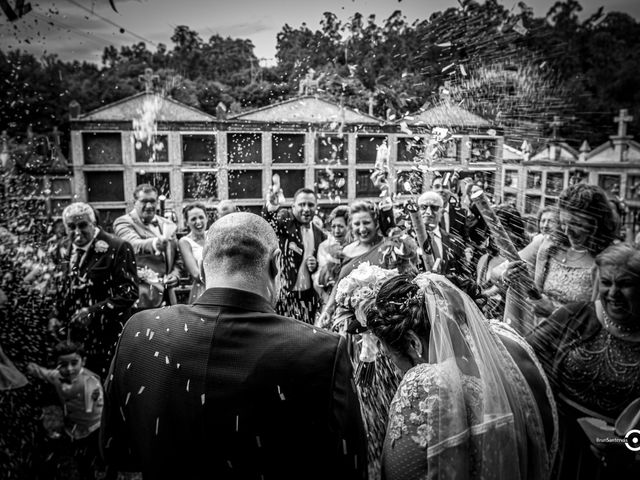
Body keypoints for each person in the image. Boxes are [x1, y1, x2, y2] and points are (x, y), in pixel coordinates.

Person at [101, 212, 367, 480]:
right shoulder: (322, 350)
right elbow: (348, 468)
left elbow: (116, 451)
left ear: (204, 263)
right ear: (276, 263)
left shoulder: (141, 329)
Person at [369, 273, 558, 480]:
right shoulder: (507, 339)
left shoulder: (427, 384)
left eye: (390, 356)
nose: (396, 371)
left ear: (414, 343)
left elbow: (397, 473)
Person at [527, 243, 640, 480]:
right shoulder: (573, 316)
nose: (613, 293)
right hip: (557, 443)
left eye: (625, 284)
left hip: (616, 461)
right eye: (607, 283)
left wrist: (630, 447)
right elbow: (522, 355)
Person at [498, 184, 618, 334]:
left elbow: (604, 322)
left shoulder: (609, 260)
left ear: (597, 222)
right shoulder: (548, 245)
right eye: (563, 224)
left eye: (576, 224)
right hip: (539, 336)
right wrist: (509, 275)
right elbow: (501, 269)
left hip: (574, 347)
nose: (568, 232)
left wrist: (554, 312)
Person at [50, 202, 138, 379]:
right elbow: (57, 288)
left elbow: (129, 293)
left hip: (107, 335)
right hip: (75, 339)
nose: (77, 232)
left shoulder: (118, 246)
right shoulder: (61, 249)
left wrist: (92, 311)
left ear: (94, 223)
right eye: (71, 227)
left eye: (82, 225)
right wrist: (53, 315)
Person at [27, 340, 105, 480]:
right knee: (79, 457)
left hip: (93, 427)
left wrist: (94, 397)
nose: (69, 369)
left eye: (74, 363)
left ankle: (99, 468)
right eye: (63, 365)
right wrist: (32, 368)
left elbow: (94, 403)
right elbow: (45, 373)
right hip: (72, 426)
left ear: (83, 361)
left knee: (94, 456)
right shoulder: (57, 376)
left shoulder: (90, 381)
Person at [263, 187, 326, 324]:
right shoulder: (285, 219)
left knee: (306, 334)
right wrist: (272, 205)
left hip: (308, 296)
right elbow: (269, 222)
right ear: (293, 206)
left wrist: (315, 266)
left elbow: (323, 266)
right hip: (283, 294)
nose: (306, 208)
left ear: (316, 207)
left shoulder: (320, 234)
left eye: (310, 205)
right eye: (302, 204)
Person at [113, 184, 181, 309]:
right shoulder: (123, 222)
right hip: (140, 298)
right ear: (135, 202)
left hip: (169, 297)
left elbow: (177, 258)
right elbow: (132, 244)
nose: (149, 206)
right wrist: (155, 244)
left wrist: (176, 276)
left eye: (152, 201)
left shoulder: (168, 224)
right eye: (144, 201)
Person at [417, 190, 467, 276]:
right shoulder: (409, 241)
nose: (428, 212)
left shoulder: (455, 242)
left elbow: (463, 276)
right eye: (423, 207)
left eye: (434, 208)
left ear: (442, 211)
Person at [312, 205, 350, 303]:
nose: (336, 231)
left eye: (340, 226)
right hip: (328, 296)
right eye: (333, 226)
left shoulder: (356, 247)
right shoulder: (324, 246)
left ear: (349, 227)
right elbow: (318, 277)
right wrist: (326, 300)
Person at [178, 202, 207, 304]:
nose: (198, 222)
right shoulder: (185, 242)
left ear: (206, 218)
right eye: (193, 219)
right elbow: (196, 274)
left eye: (201, 217)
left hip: (220, 286)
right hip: (202, 289)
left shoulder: (213, 235)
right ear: (186, 222)